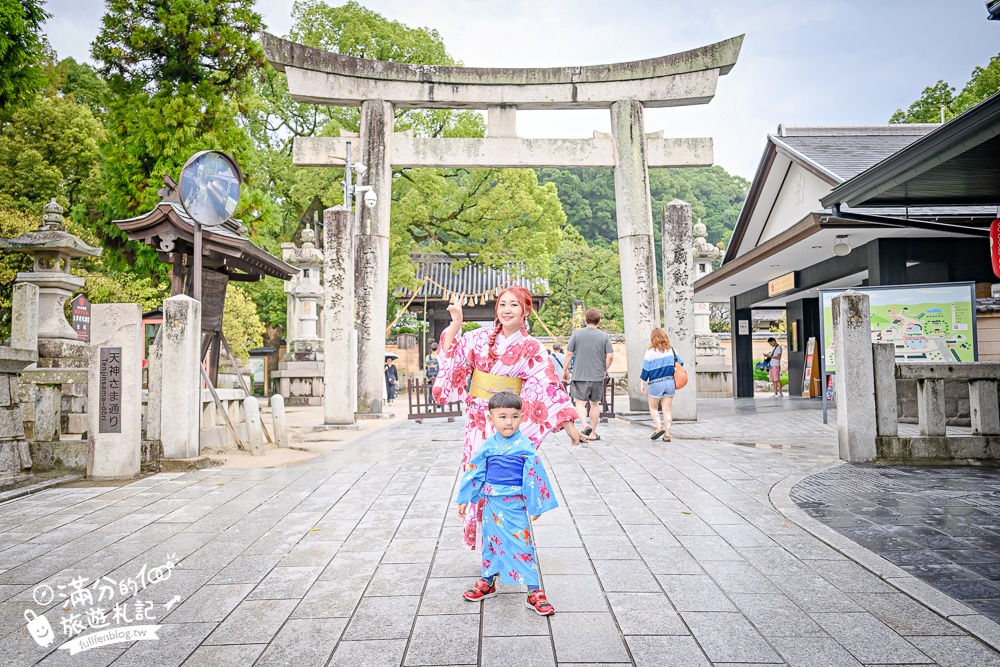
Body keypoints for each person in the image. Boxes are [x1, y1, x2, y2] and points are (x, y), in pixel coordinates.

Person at [434, 286, 590, 551]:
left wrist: (569, 426)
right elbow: (451, 355)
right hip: (479, 420)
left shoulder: (532, 347)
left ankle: (505, 541)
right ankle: (485, 546)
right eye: (503, 304)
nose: (507, 310)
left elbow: (549, 386)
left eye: (514, 305)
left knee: (503, 478)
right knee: (478, 473)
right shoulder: (479, 337)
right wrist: (457, 323)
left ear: (526, 311)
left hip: (505, 422)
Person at [457, 391, 557, 615]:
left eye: (514, 416)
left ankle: (534, 591)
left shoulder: (525, 446)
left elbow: (533, 474)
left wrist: (535, 504)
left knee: (522, 545)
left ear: (522, 417)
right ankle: (488, 580)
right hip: (491, 502)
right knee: (490, 543)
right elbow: (474, 472)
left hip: (514, 504)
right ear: (490, 418)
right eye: (502, 416)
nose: (509, 422)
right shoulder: (488, 446)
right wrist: (464, 498)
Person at [562, 308, 613, 440]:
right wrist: (604, 369)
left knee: (580, 403)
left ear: (585, 320)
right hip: (597, 376)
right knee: (595, 403)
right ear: (599, 321)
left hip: (580, 375)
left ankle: (584, 425)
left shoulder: (577, 335)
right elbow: (610, 356)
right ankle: (592, 433)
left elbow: (568, 353)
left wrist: (564, 369)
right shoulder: (604, 336)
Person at [640, 328, 684, 442]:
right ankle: (667, 434)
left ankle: (659, 427)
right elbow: (680, 363)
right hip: (670, 382)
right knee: (667, 409)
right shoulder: (672, 350)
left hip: (656, 383)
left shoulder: (650, 351)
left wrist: (642, 383)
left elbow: (646, 370)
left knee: (653, 407)